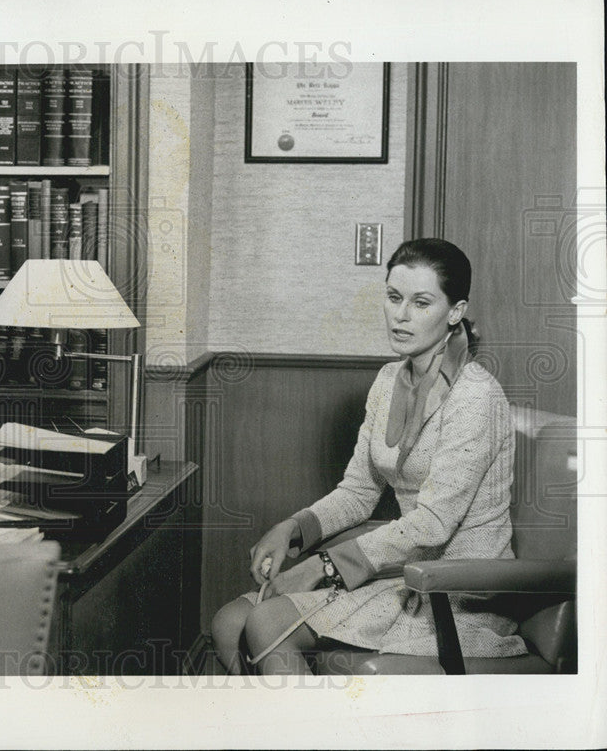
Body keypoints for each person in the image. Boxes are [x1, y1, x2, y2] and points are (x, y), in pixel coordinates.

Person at [211, 238, 527, 675]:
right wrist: (293, 528)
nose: (401, 315)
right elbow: (359, 492)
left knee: (266, 622)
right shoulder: (387, 380)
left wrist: (322, 567)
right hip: (401, 567)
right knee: (228, 623)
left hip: (457, 590)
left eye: (421, 302)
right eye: (394, 298)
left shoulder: (477, 397)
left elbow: (433, 525)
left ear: (455, 312)